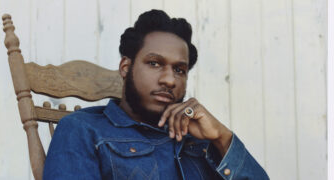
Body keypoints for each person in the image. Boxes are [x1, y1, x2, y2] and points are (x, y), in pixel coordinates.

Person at [43, 9, 269, 180]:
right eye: (154, 63)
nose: (170, 80)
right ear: (125, 67)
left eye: (179, 70)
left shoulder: (198, 140)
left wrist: (222, 137)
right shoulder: (82, 129)